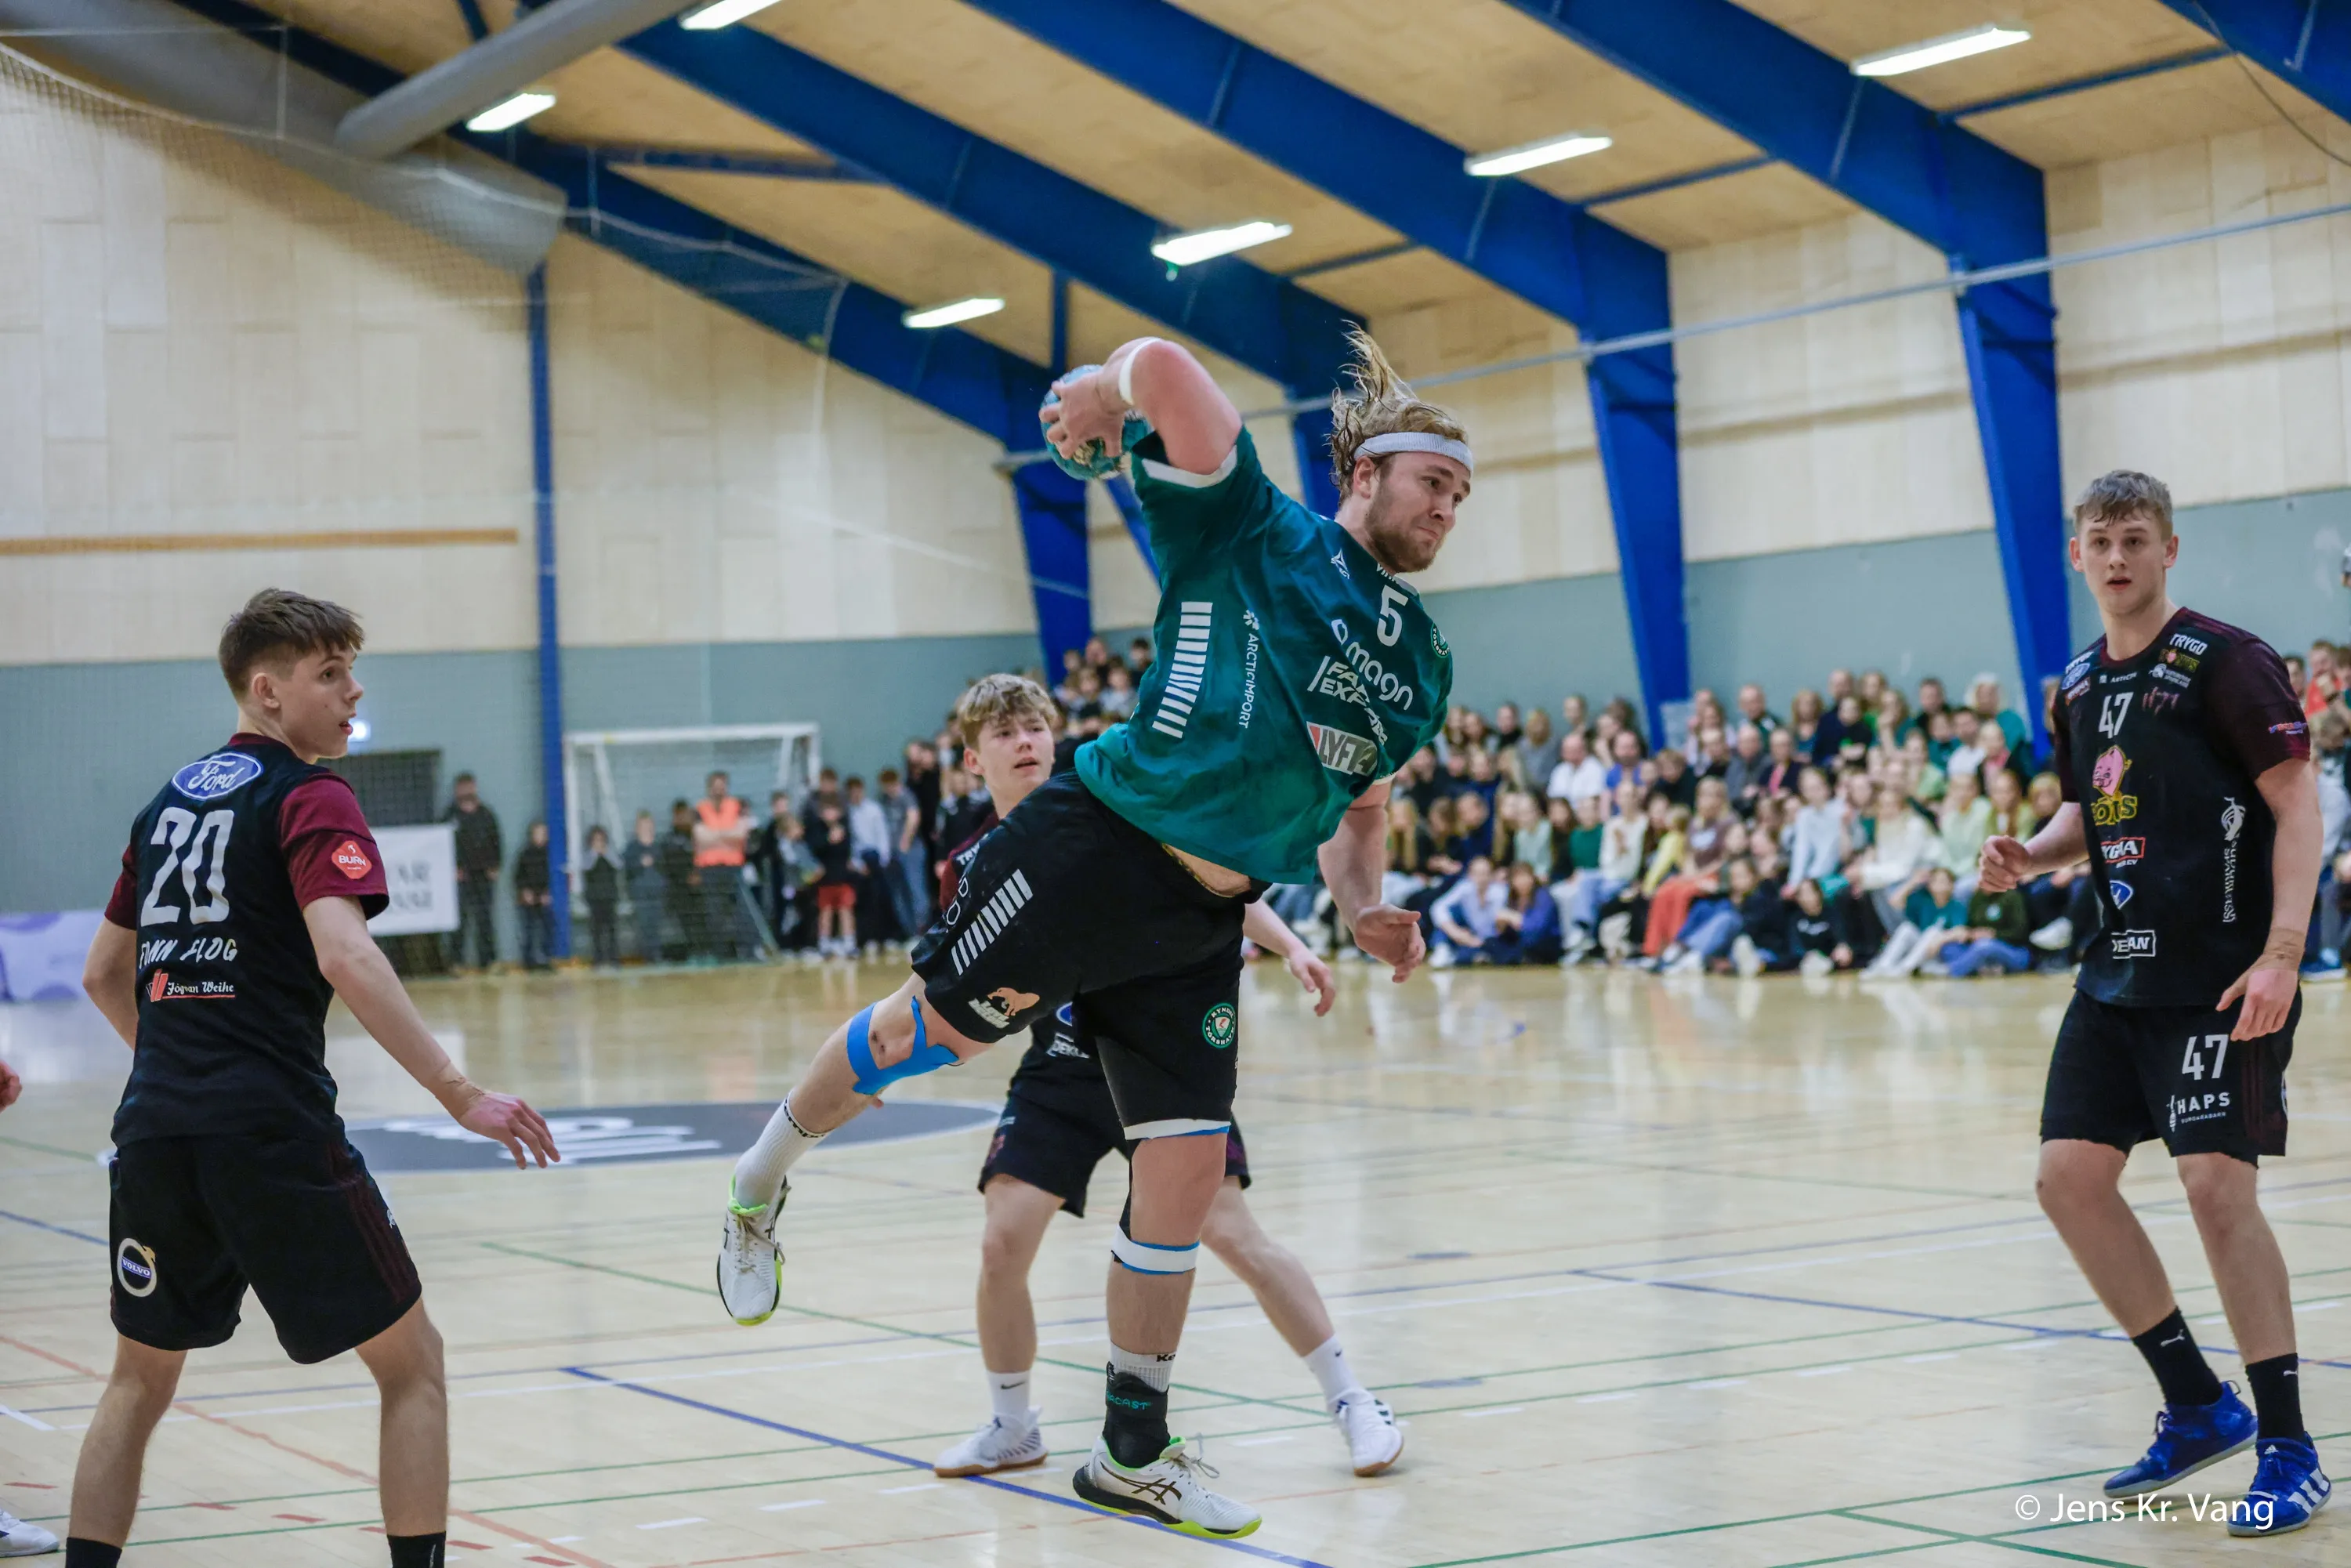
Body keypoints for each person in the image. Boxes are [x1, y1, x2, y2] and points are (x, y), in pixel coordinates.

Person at [715, 326, 1462, 1537]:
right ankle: (757, 1186)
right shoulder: (1255, 524)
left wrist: (1363, 902)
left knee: (1183, 1175)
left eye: (1460, 497)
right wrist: (1101, 394)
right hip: (1100, 843)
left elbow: (1359, 807)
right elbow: (1162, 364)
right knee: (922, 1036)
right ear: (1366, 475)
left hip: (1201, 916)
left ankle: (1133, 1451)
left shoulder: (1420, 661)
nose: (1446, 510)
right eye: (1433, 483)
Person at [67, 589, 558, 1568]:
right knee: (413, 1366)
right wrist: (459, 1092)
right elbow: (348, 954)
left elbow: (102, 975)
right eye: (329, 673)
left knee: (136, 1381)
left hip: (155, 1131)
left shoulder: (165, 807)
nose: (352, 690)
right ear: (268, 690)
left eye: (350, 670)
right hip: (271, 1131)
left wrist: (176, 1066)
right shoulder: (308, 793)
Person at [929, 680, 1405, 1482]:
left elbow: (1201, 879)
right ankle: (1012, 1426)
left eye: (1035, 727)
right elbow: (955, 989)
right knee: (1002, 1241)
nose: (1025, 742)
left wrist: (1292, 946)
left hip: (1154, 1055)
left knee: (1234, 1234)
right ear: (974, 760)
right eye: (1005, 733)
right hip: (1060, 1068)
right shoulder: (972, 864)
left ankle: (1352, 1398)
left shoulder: (1108, 805)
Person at [1980, 469, 2327, 1535]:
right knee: (2067, 1180)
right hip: (2117, 973)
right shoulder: (2079, 683)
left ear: (2169, 550)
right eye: (2101, 540)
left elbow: (2299, 804)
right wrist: (2033, 854)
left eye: (2135, 538)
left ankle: (2289, 1446)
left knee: (2216, 1187)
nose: (2117, 557)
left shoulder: (2228, 662)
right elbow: (2093, 809)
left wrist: (2281, 954)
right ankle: (2195, 1403)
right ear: (2078, 555)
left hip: (2221, 976)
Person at [441, 772, 500, 971]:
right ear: (457, 790)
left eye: (469, 786)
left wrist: (495, 865)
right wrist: (452, 868)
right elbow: (441, 844)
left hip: (484, 874)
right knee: (460, 920)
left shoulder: (486, 814)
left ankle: (489, 961)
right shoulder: (450, 816)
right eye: (462, 787)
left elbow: (496, 840)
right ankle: (456, 961)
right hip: (460, 876)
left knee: (485, 918)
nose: (466, 790)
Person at [694, 771, 753, 961]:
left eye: (722, 785)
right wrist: (727, 834)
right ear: (709, 788)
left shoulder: (737, 806)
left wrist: (715, 834)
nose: (719, 789)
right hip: (709, 868)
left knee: (742, 910)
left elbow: (741, 834)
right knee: (714, 912)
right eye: (715, 786)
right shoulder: (700, 809)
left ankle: (748, 951)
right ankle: (721, 954)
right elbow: (701, 837)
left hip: (733, 867)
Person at [1429, 856, 1507, 965]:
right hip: (1468, 933)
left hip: (1490, 938)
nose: (1481, 878)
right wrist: (1456, 932)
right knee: (1449, 915)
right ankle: (1442, 949)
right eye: (1477, 873)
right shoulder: (1465, 887)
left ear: (1492, 875)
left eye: (1485, 873)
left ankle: (1458, 957)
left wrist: (1475, 940)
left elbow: (1495, 926)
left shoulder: (1499, 892)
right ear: (1470, 875)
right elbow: (1438, 907)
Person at [810, 795, 857, 959]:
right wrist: (829, 840)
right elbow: (816, 849)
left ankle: (850, 944)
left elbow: (847, 851)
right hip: (825, 879)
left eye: (833, 810)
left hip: (843, 878)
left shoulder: (845, 830)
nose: (830, 814)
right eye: (826, 811)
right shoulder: (818, 831)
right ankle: (824, 945)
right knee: (826, 911)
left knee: (846, 910)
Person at [660, 799, 701, 961]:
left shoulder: (698, 835)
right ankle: (694, 953)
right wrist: (686, 876)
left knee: (702, 921)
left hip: (700, 888)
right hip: (680, 890)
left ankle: (706, 952)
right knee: (687, 923)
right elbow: (670, 864)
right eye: (679, 815)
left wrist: (698, 874)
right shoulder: (670, 839)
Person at [623, 810, 665, 963]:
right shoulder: (632, 848)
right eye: (643, 825)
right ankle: (647, 956)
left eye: (649, 825)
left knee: (656, 925)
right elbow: (628, 868)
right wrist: (641, 863)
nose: (646, 828)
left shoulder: (658, 846)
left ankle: (657, 955)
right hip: (640, 893)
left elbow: (665, 866)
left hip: (657, 892)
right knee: (644, 925)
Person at [513, 820, 552, 970]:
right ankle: (528, 961)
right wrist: (524, 891)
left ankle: (545, 959)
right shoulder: (525, 854)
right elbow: (518, 877)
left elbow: (553, 877)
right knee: (528, 930)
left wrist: (547, 892)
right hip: (528, 899)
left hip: (544, 898)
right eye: (538, 833)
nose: (541, 837)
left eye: (543, 834)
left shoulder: (550, 854)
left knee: (546, 930)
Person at [582, 825, 621, 968]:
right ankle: (598, 959)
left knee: (611, 929)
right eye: (596, 840)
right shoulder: (588, 856)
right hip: (595, 898)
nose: (599, 843)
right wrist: (595, 853)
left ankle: (614, 958)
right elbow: (586, 867)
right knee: (596, 931)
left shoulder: (609, 855)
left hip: (609, 897)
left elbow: (619, 865)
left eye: (601, 840)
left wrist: (606, 854)